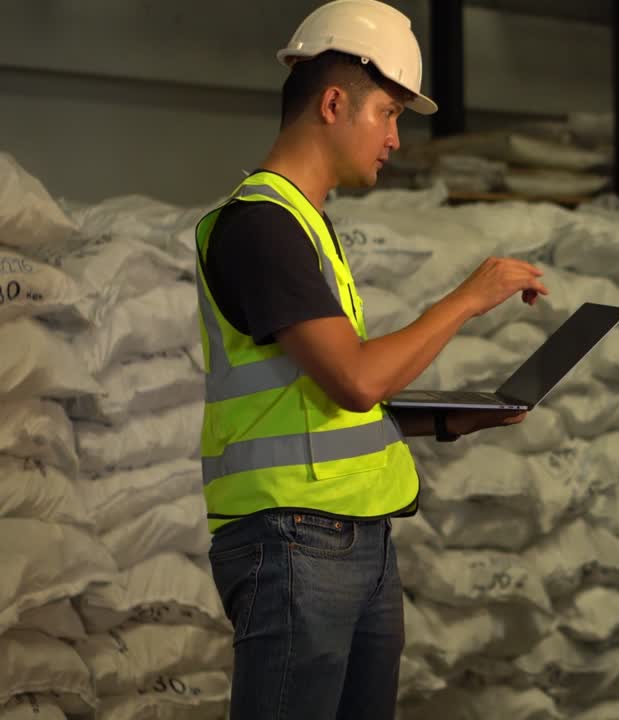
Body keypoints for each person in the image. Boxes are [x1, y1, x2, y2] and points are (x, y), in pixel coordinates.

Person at [195, 1, 549, 717]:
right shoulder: (261, 226)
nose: (395, 137)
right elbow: (355, 378)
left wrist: (446, 423)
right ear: (333, 103)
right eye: (388, 113)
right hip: (296, 541)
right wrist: (467, 298)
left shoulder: (306, 225)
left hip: (347, 538)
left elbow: (318, 398)